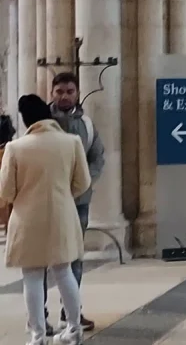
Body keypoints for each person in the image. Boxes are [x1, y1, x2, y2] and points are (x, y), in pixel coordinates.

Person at [0, 95, 91, 345]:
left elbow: (5, 191)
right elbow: (83, 183)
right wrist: (62, 195)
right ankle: (74, 329)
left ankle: (37, 335)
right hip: (62, 215)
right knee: (64, 272)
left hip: (27, 218)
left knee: (31, 276)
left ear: (25, 119)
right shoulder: (71, 142)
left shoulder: (16, 148)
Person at [45, 73, 106, 333]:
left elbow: (97, 157)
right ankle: (39, 315)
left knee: (75, 257)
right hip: (48, 200)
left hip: (78, 202)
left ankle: (70, 313)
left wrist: (82, 184)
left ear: (77, 93)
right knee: (42, 258)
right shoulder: (41, 122)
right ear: (52, 93)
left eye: (70, 91)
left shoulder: (87, 125)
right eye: (59, 91)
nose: (64, 96)